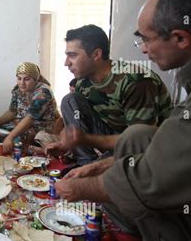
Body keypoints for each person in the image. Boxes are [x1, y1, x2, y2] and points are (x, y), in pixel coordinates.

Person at [56, 0, 191, 241]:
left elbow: (152, 164)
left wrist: (84, 188)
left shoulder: (135, 81)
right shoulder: (83, 84)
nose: (144, 49)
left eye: (145, 39)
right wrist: (96, 162)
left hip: (166, 168)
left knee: (131, 149)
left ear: (180, 37)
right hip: (127, 144)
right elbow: (152, 139)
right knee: (124, 132)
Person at [46, 25, 172, 165]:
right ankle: (85, 162)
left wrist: (95, 156)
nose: (66, 63)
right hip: (113, 134)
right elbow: (83, 123)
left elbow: (140, 142)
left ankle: (93, 167)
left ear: (96, 55)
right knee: (70, 100)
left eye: (73, 55)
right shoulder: (82, 83)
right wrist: (66, 145)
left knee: (100, 173)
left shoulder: (136, 81)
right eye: (67, 55)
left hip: (149, 147)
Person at [0, 62, 61, 154]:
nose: (22, 83)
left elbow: (30, 118)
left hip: (41, 126)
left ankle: (33, 150)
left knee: (17, 138)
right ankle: (7, 141)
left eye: (26, 79)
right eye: (19, 78)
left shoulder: (43, 92)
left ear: (35, 80)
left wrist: (10, 137)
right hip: (21, 122)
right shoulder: (18, 90)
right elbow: (12, 111)